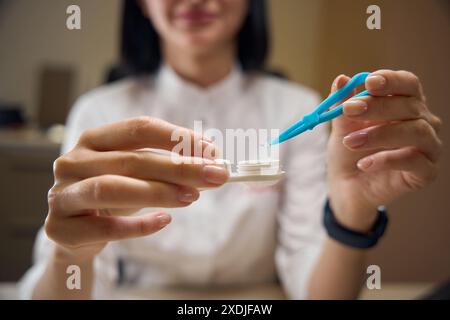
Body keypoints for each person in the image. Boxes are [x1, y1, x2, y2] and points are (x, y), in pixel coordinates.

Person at [19, 0, 442, 299]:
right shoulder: (99, 111)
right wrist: (70, 250)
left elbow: (317, 292)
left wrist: (352, 212)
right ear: (141, 5)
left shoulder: (295, 108)